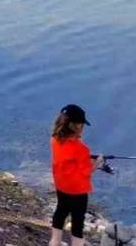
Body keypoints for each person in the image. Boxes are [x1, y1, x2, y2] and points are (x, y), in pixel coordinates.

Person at [49, 104, 102, 246]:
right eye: (82, 124)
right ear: (77, 126)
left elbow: (67, 157)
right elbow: (86, 172)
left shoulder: (54, 140)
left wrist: (84, 158)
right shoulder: (82, 149)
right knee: (77, 223)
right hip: (78, 193)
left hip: (61, 187)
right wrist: (97, 163)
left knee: (60, 212)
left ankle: (54, 242)